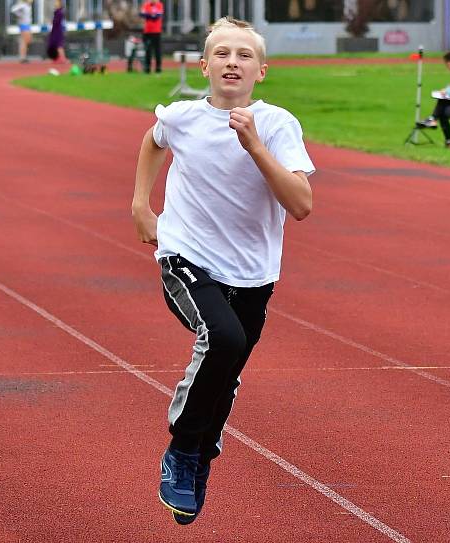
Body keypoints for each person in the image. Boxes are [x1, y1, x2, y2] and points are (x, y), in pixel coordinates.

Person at [130, 16, 314, 525]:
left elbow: (301, 205)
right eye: (223, 54)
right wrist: (142, 204)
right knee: (225, 341)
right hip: (185, 255)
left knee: (226, 372)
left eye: (245, 55)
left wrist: (255, 146)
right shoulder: (183, 116)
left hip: (253, 272)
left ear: (262, 70)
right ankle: (184, 452)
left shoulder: (277, 125)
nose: (234, 62)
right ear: (205, 65)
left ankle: (201, 451)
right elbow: (153, 139)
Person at [139, 0, 163, 73]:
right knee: (147, 50)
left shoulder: (159, 4)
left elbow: (158, 16)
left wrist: (149, 15)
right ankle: (147, 67)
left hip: (156, 31)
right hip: (147, 31)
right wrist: (151, 15)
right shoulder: (146, 4)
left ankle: (158, 67)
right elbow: (142, 14)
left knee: (157, 50)